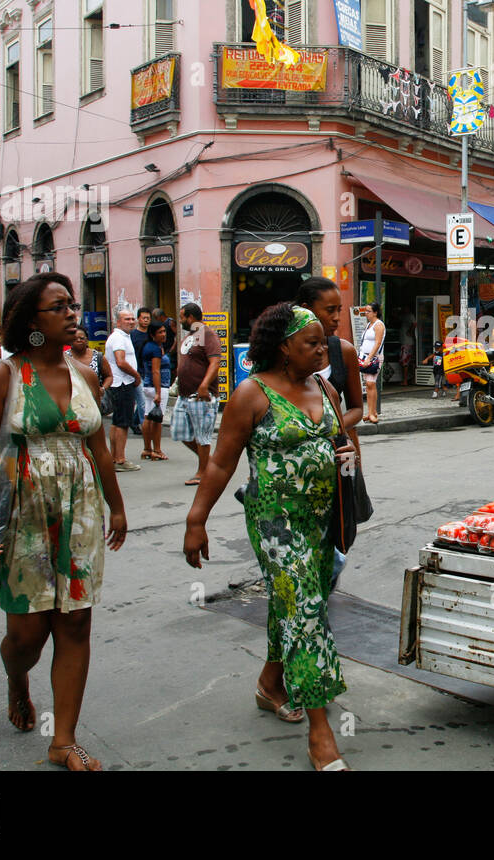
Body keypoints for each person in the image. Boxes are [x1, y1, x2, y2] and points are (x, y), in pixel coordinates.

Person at [0, 272, 127, 771]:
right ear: (32, 320)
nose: (73, 313)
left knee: (74, 623)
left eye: (73, 304)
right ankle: (16, 678)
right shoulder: (4, 375)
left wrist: (116, 506)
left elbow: (99, 449)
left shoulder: (85, 374)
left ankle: (63, 740)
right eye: (59, 307)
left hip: (80, 512)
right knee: (27, 635)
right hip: (22, 511)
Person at [183, 303, 354, 771]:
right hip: (276, 522)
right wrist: (196, 520)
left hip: (322, 520)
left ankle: (270, 684)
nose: (323, 350)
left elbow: (343, 444)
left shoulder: (323, 386)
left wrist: (351, 493)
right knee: (305, 609)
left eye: (323, 342)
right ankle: (321, 735)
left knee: (294, 603)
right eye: (312, 343)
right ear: (283, 348)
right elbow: (220, 462)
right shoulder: (251, 394)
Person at [295, 277, 363, 432]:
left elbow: (357, 409)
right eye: (330, 310)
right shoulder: (283, 351)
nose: (337, 318)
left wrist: (331, 428)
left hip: (333, 448)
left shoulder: (345, 351)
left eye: (339, 310)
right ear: (307, 309)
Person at [171, 303, 222, 486]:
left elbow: (215, 362)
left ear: (190, 318)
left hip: (201, 396)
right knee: (179, 431)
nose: (180, 320)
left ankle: (203, 472)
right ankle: (209, 463)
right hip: (184, 395)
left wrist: (204, 385)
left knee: (202, 435)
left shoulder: (207, 334)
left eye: (182, 317)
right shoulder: (191, 336)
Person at [104, 309, 142, 472]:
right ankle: (119, 459)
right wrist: (136, 375)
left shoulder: (122, 337)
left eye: (133, 318)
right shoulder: (119, 338)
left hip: (120, 382)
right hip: (123, 383)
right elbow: (120, 362)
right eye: (127, 319)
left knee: (118, 421)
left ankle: (115, 457)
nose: (131, 321)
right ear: (118, 322)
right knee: (123, 423)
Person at [140, 323, 170, 462]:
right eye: (160, 332)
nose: (163, 334)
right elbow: (156, 371)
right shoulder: (155, 349)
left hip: (147, 385)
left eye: (164, 331)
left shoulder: (149, 347)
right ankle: (157, 450)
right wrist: (158, 392)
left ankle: (147, 449)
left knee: (148, 416)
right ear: (153, 334)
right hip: (158, 386)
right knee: (157, 419)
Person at [357, 303, 385, 424]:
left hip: (374, 358)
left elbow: (377, 343)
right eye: (366, 311)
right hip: (364, 356)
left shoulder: (379, 325)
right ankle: (370, 412)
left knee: (371, 383)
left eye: (368, 311)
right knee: (368, 385)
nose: (366, 313)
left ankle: (373, 413)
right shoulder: (369, 324)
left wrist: (369, 357)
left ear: (375, 312)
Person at [129, 308, 152, 437]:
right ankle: (146, 430)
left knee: (149, 399)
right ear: (138, 319)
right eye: (144, 318)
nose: (146, 320)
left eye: (148, 318)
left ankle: (134, 421)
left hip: (149, 371)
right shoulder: (132, 335)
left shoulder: (151, 334)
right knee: (143, 401)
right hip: (137, 372)